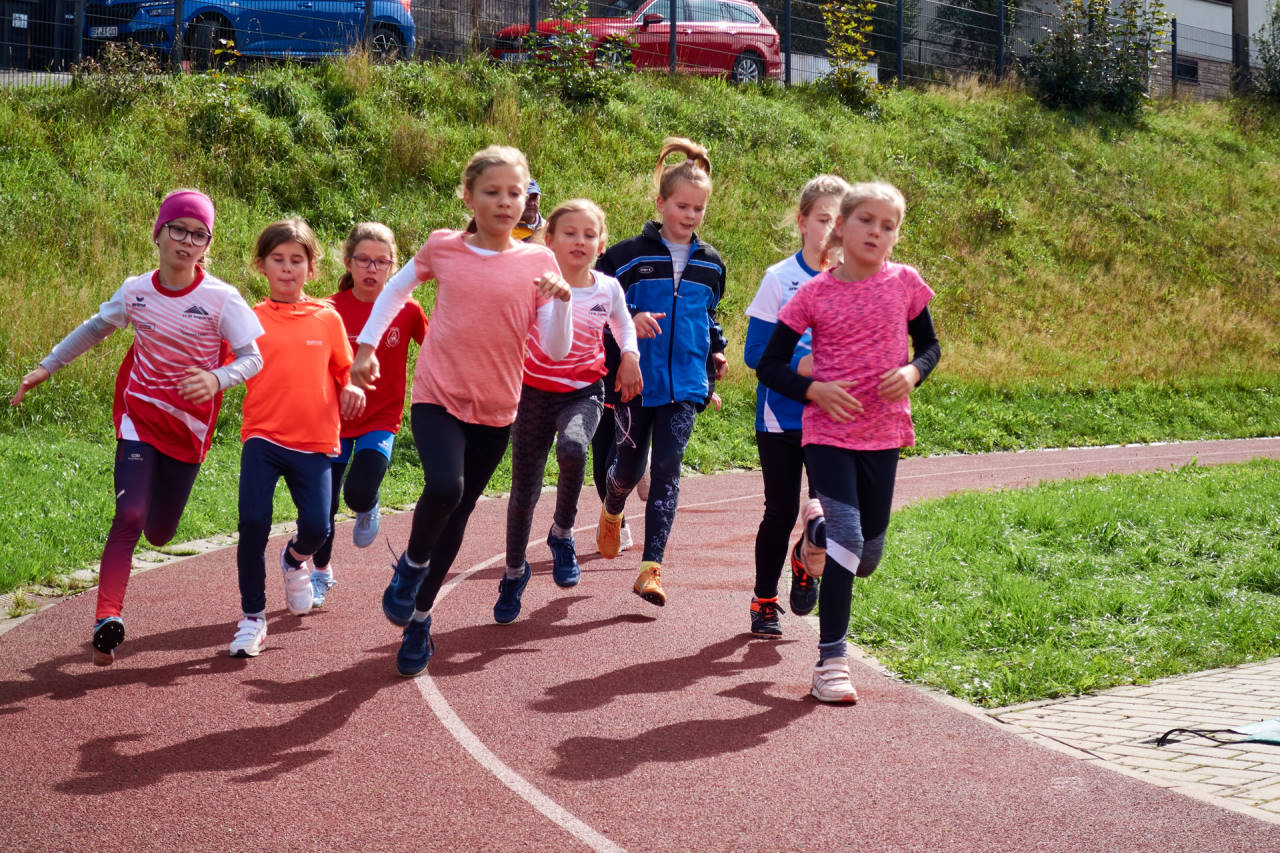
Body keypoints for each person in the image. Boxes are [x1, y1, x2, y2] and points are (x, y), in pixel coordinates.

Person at [10, 189, 263, 666]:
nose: (186, 242)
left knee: (161, 533)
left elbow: (253, 357)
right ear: (158, 232)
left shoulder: (221, 298)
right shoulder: (135, 291)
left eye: (198, 234)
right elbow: (94, 328)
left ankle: (150, 520)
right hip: (138, 419)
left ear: (207, 245)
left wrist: (216, 378)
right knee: (128, 517)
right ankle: (107, 618)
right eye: (178, 230)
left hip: (187, 431)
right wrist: (47, 367)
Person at [350, 145, 573, 677]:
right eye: (491, 192)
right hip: (438, 395)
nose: (504, 202)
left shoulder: (540, 262)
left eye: (514, 193)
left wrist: (562, 301)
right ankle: (410, 568)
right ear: (468, 196)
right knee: (444, 488)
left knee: (461, 511)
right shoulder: (443, 248)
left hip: (497, 409)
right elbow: (396, 290)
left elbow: (558, 349)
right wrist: (364, 349)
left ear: (528, 201)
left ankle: (421, 619)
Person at [757, 181, 940, 703]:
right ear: (842, 225)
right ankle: (830, 661)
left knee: (867, 555)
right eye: (866, 221)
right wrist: (814, 389)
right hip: (828, 434)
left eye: (888, 226)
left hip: (883, 434)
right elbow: (768, 365)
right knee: (849, 542)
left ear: (895, 236)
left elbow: (930, 347)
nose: (876, 232)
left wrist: (912, 371)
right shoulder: (813, 293)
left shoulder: (906, 284)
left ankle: (812, 538)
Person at [594, 136, 728, 607]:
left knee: (668, 470)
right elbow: (595, 304)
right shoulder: (627, 257)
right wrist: (629, 319)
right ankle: (612, 507)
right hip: (633, 383)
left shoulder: (711, 264)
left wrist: (716, 351)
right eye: (682, 206)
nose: (690, 215)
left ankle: (652, 569)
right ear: (661, 203)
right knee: (628, 469)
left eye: (699, 208)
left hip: (686, 384)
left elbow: (709, 315)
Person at [496, 199, 642, 624]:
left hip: (584, 391)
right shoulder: (534, 285)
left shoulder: (608, 288)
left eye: (589, 234)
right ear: (550, 240)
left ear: (601, 242)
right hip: (532, 394)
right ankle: (513, 574)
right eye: (570, 233)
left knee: (576, 447)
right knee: (524, 490)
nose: (580, 241)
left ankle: (562, 534)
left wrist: (630, 354)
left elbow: (623, 324)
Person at [230, 218, 365, 658]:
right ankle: (252, 617)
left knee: (316, 527)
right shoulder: (249, 319)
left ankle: (293, 560)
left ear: (311, 267)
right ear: (262, 266)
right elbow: (230, 368)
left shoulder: (327, 318)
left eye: (297, 260)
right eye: (278, 260)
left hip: (315, 442)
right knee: (252, 523)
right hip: (263, 438)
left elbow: (345, 371)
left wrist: (352, 387)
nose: (287, 269)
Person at [743, 174, 850, 639]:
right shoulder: (779, 278)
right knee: (781, 510)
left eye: (839, 221)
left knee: (828, 512)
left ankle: (807, 560)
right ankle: (764, 599)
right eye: (822, 218)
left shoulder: (856, 282)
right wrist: (803, 365)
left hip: (833, 418)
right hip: (781, 417)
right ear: (803, 222)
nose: (831, 229)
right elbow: (754, 355)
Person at [309, 223, 427, 608]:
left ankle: (368, 504)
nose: (372, 268)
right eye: (364, 260)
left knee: (357, 492)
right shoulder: (328, 310)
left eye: (381, 261)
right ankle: (321, 572)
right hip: (335, 419)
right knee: (322, 509)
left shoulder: (407, 309)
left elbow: (435, 347)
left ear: (393, 267)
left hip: (381, 418)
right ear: (349, 262)